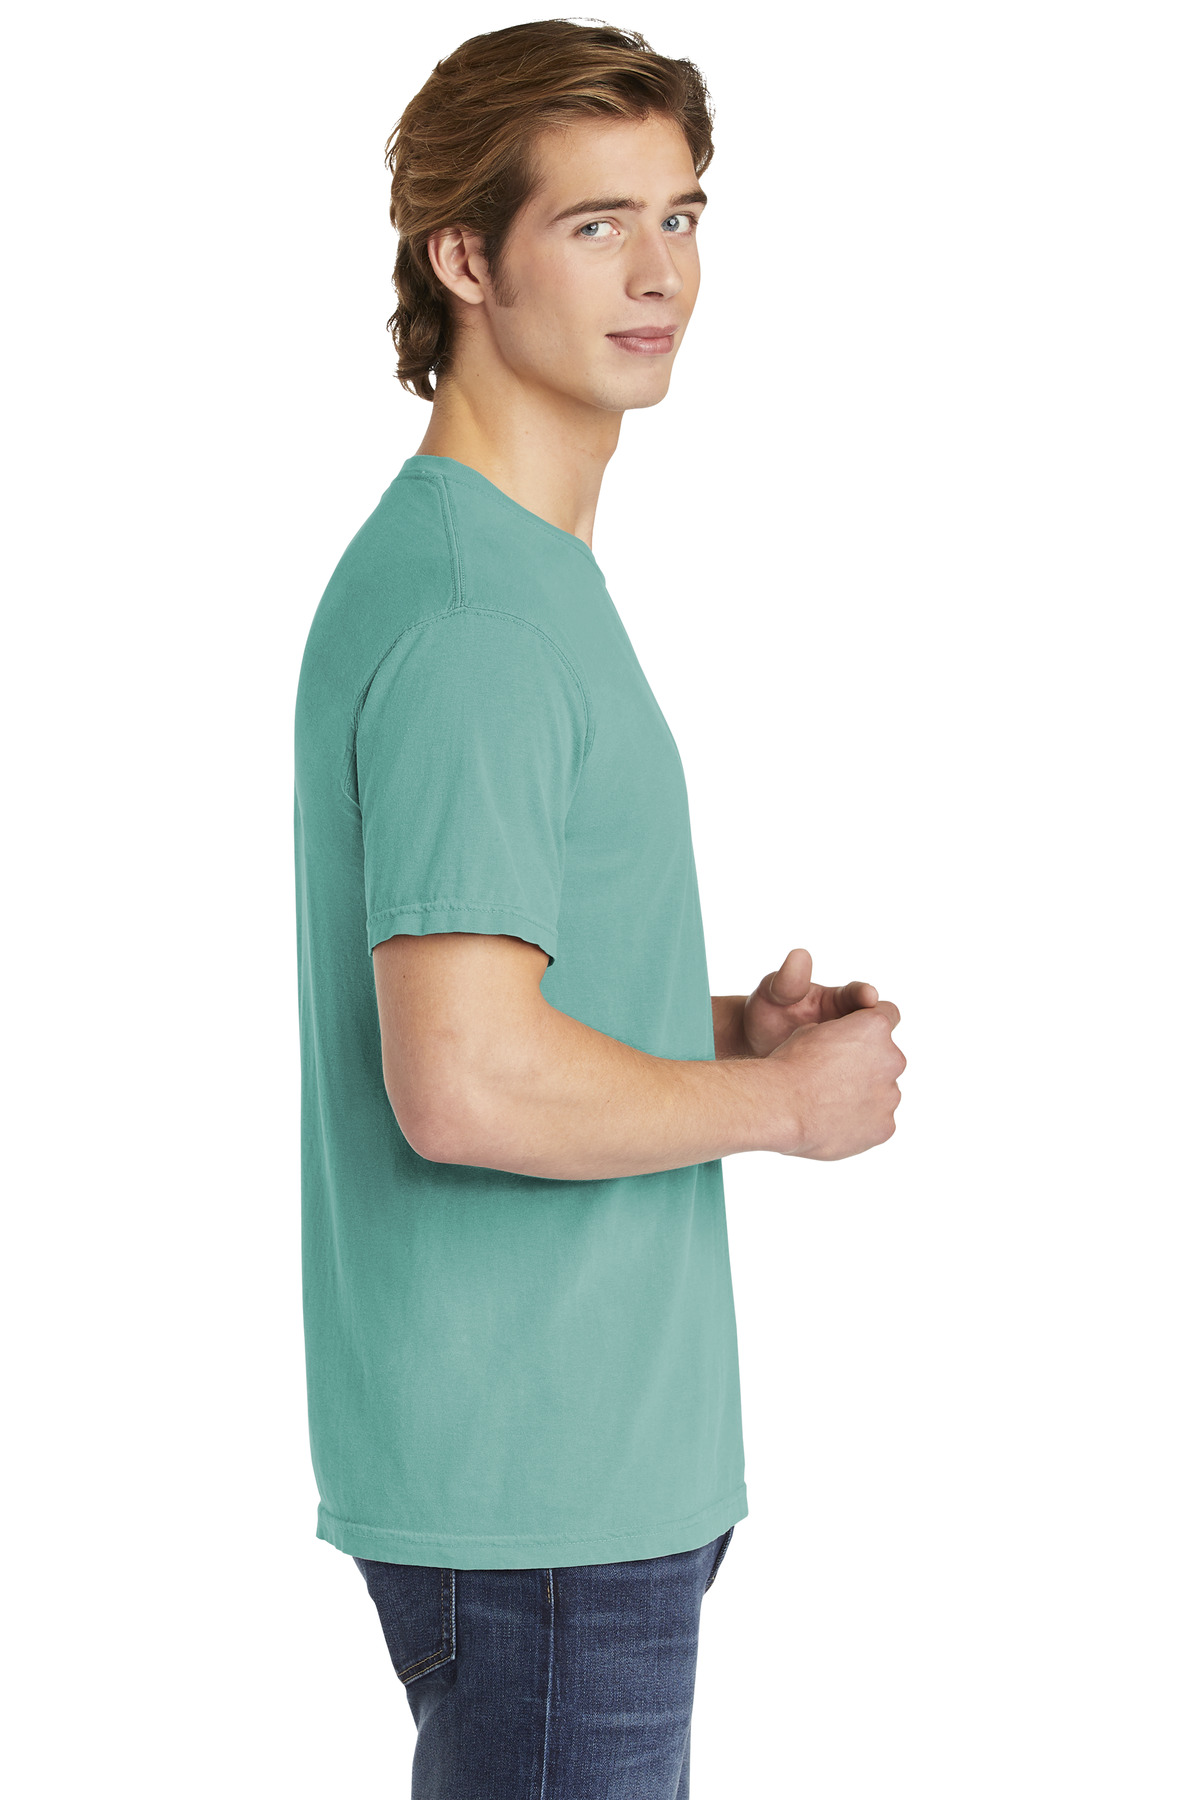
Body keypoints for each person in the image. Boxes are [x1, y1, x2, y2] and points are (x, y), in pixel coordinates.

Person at [292, 18, 904, 1797]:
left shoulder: (515, 573)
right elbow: (462, 1080)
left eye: (683, 214)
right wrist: (785, 1108)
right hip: (543, 1486)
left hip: (576, 1476)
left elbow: (484, 990)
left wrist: (714, 1030)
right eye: (595, 224)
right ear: (463, 259)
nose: (662, 274)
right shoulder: (475, 619)